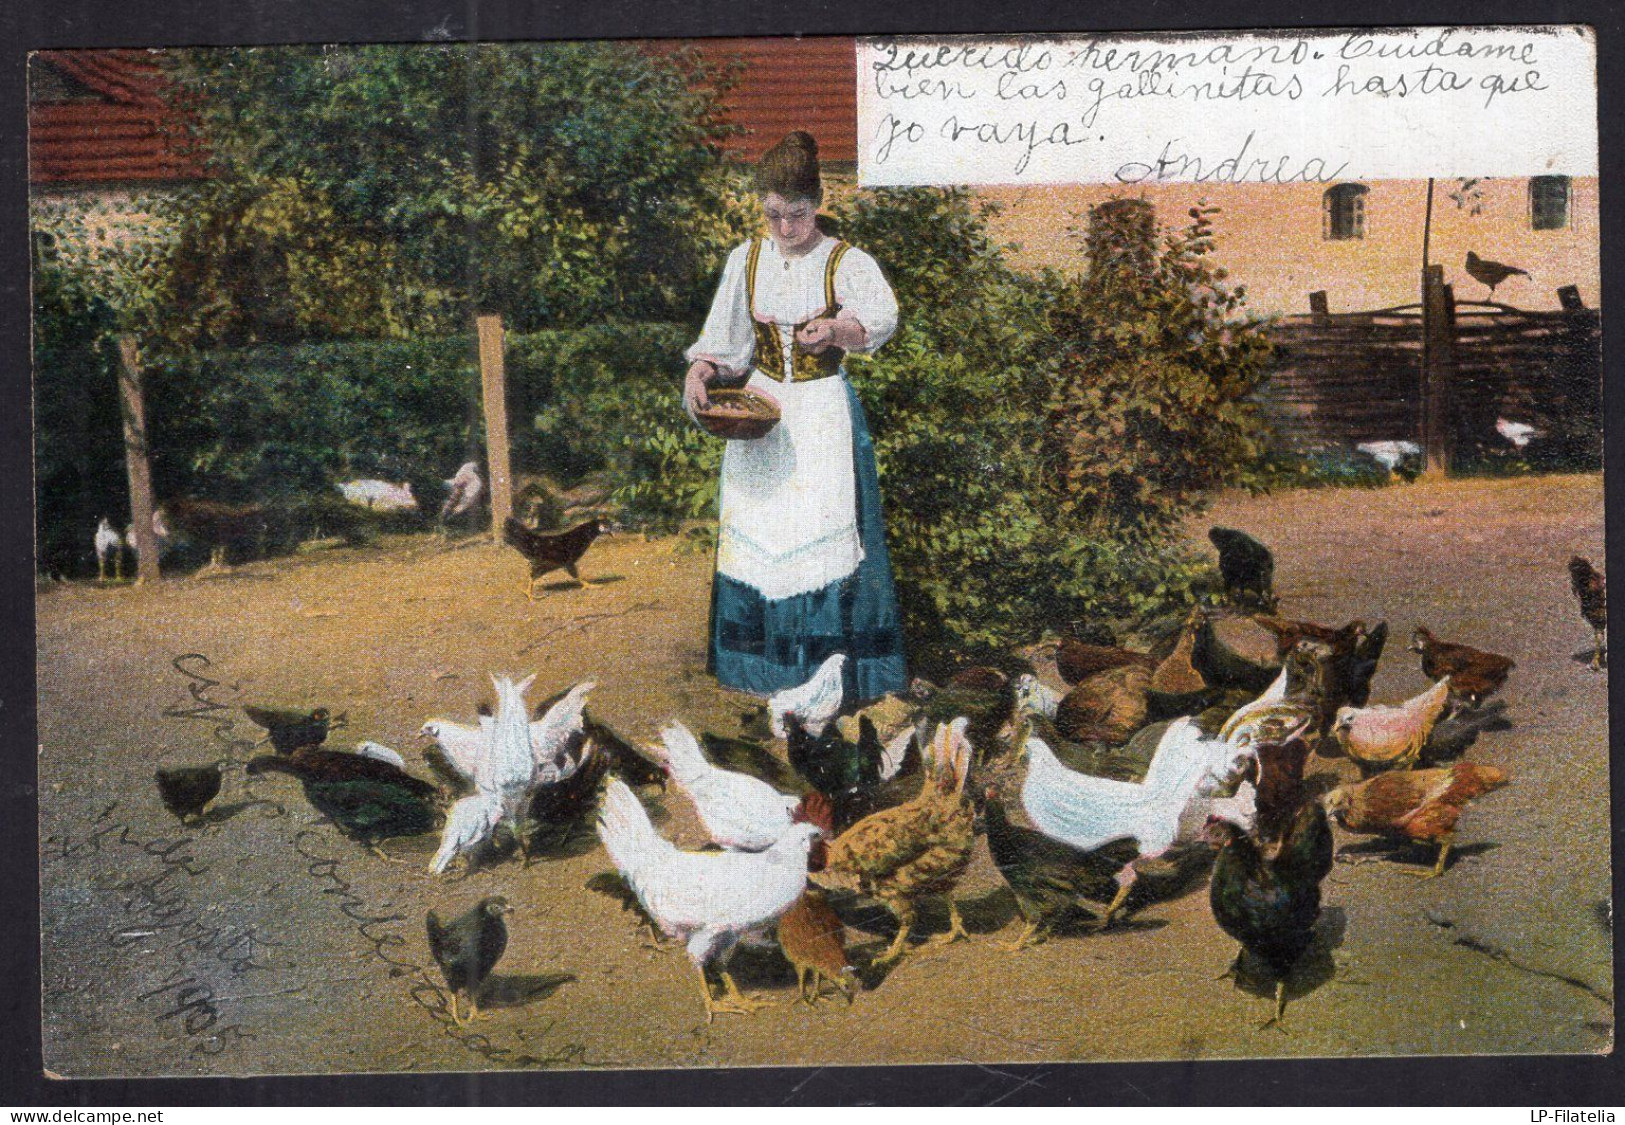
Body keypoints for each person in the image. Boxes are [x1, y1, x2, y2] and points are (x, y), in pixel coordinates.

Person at [684, 130, 907, 704]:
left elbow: (879, 324)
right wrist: (700, 374)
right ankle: (759, 671)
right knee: (763, 530)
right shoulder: (747, 259)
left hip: (820, 415)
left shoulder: (845, 261)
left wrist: (836, 329)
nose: (786, 229)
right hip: (762, 414)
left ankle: (826, 675)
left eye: (798, 215)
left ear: (818, 205)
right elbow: (725, 346)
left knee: (819, 533)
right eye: (775, 215)